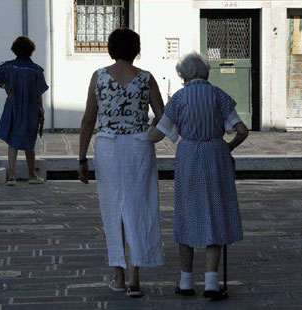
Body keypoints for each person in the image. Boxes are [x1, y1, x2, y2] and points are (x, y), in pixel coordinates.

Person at [149, 52, 249, 301]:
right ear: (205, 72)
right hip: (216, 155)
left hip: (189, 155)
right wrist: (227, 146)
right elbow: (242, 131)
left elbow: (158, 135)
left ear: (183, 75)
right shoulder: (218, 95)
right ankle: (212, 283)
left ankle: (185, 281)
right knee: (215, 213)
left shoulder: (179, 98)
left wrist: (142, 130)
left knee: (188, 213)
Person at [78, 28, 164, 298]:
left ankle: (118, 276)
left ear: (110, 49)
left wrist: (81, 158)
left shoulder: (99, 77)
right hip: (139, 146)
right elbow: (163, 116)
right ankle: (135, 276)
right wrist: (151, 135)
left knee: (112, 209)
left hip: (108, 148)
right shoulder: (147, 79)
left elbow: (89, 121)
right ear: (136, 49)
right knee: (139, 206)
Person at [0, 36, 49, 186]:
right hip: (30, 108)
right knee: (30, 140)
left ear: (14, 49)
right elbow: (38, 93)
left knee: (12, 141)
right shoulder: (35, 70)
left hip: (13, 107)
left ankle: (12, 176)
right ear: (31, 51)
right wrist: (41, 111)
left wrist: (5, 87)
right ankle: (32, 175)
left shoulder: (7, 67)